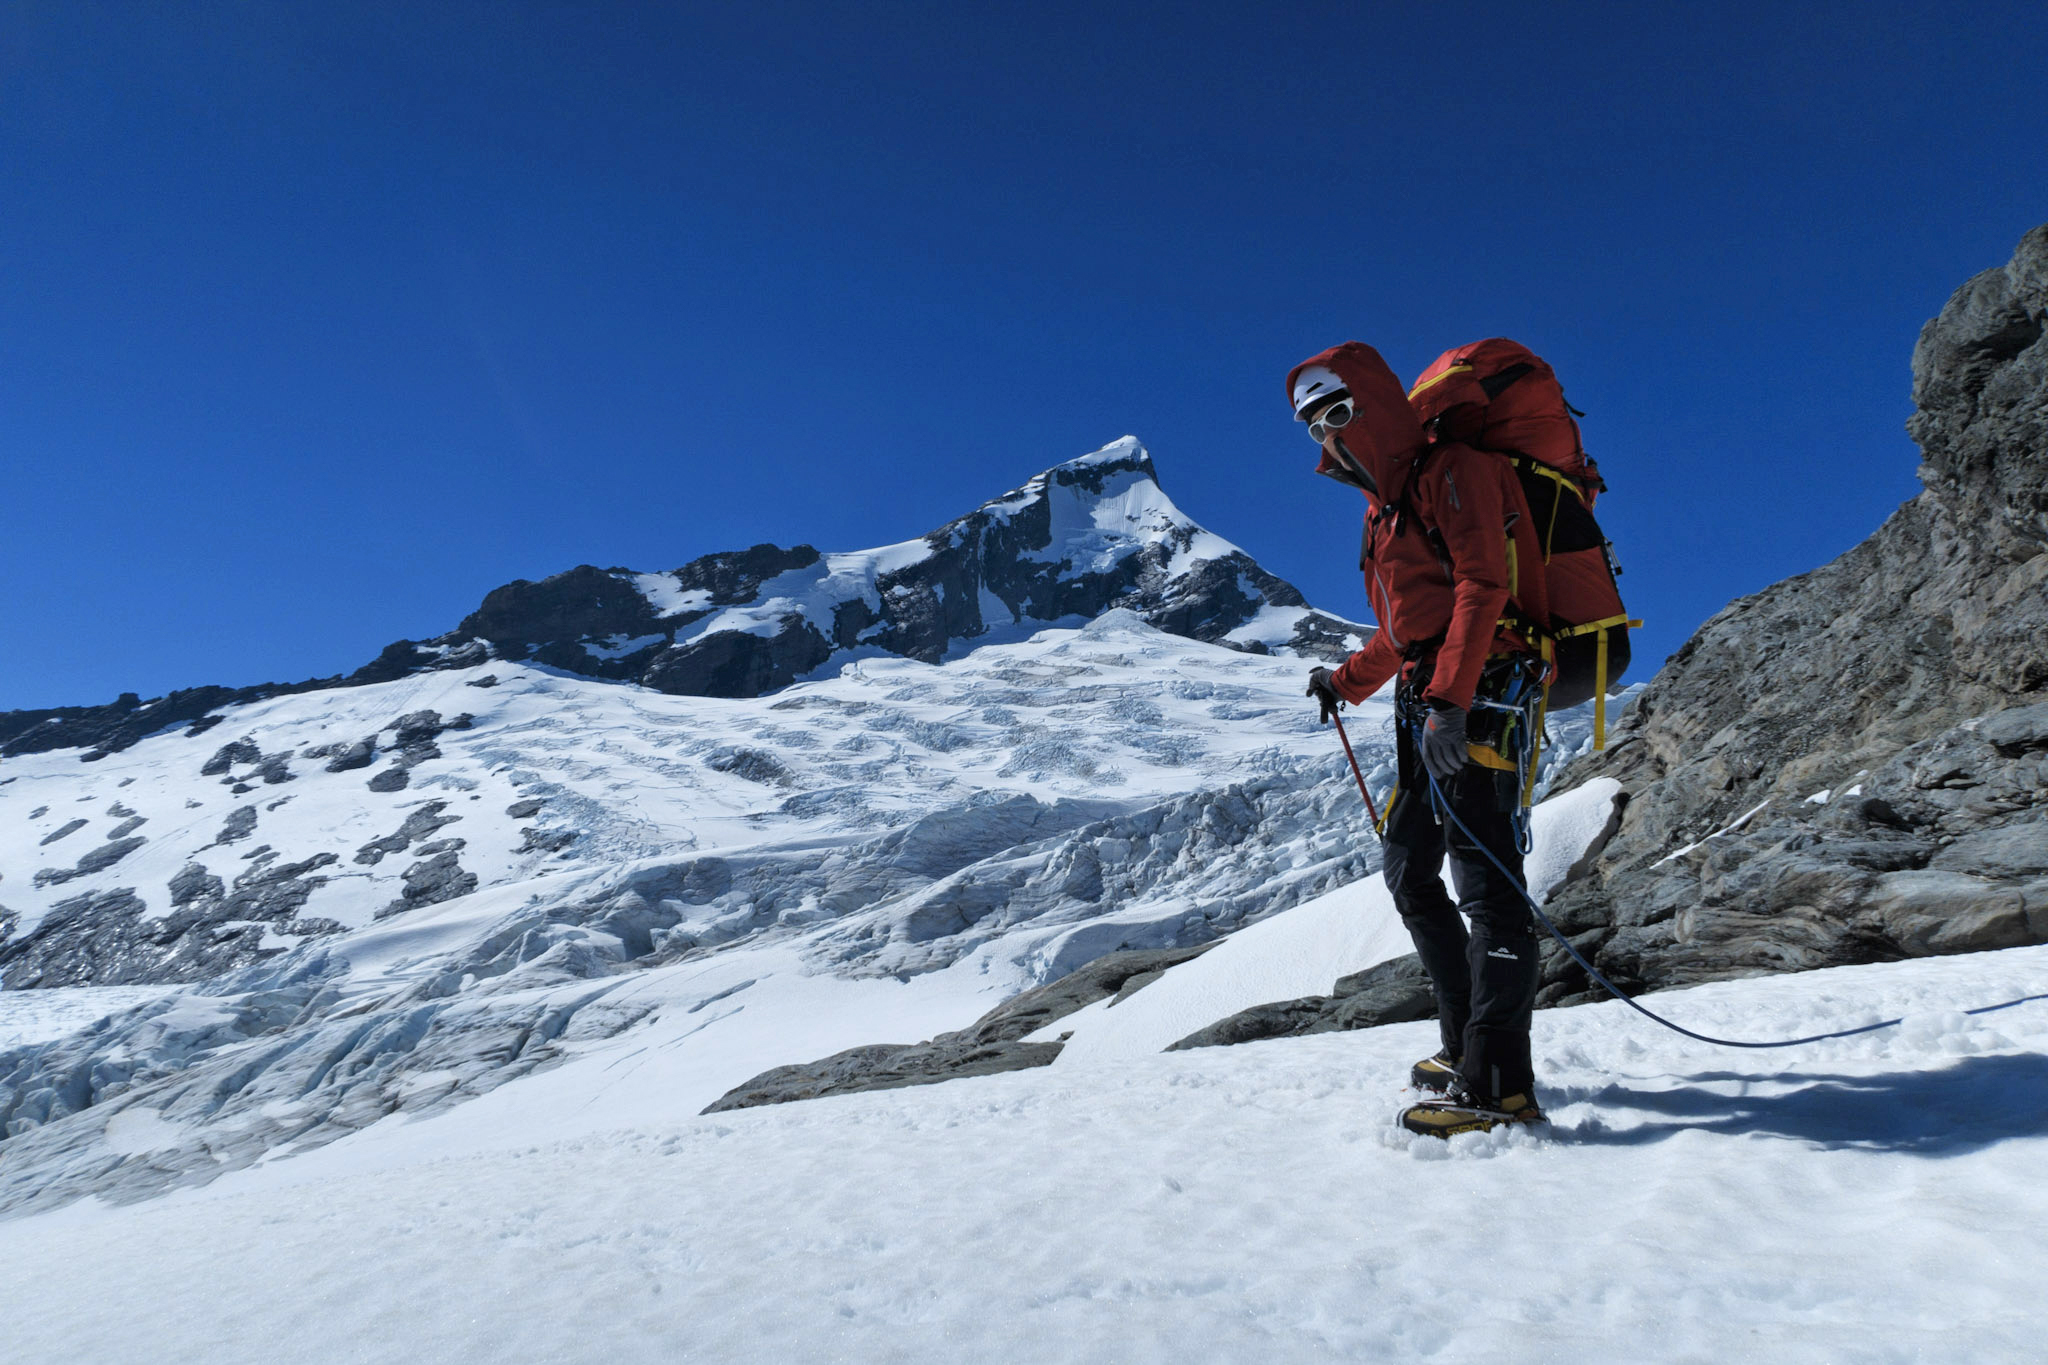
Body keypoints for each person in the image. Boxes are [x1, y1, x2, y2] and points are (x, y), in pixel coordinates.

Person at [1287, 341, 1551, 1137]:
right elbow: (1406, 626)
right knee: (1409, 870)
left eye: (1337, 411)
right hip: (1428, 694)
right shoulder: (1386, 506)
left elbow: (1483, 586)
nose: (1328, 433)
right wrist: (1345, 680)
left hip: (1482, 693)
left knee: (1486, 883)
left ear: (1373, 403)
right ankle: (1463, 1042)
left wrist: (1450, 703)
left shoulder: (1454, 469)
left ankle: (1500, 1079)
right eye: (1311, 424)